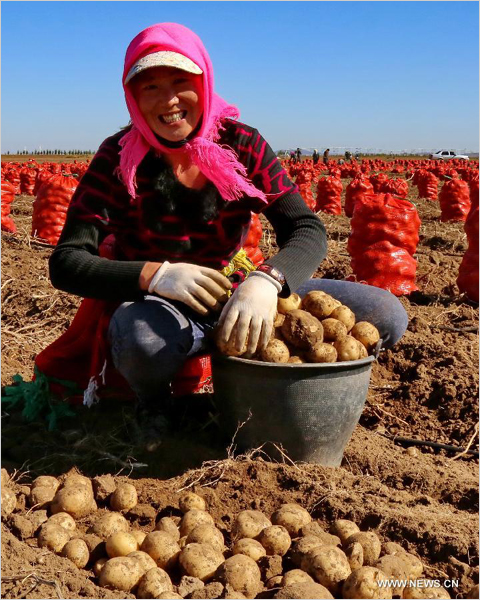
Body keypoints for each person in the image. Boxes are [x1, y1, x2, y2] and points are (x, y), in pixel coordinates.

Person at [35, 22, 407, 450]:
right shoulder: (117, 159)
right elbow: (67, 261)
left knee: (386, 315)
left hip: (242, 292)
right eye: (150, 86)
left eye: (181, 82)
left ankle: (296, 390)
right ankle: (155, 404)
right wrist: (155, 276)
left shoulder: (241, 144)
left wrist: (268, 281)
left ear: (204, 82)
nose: (169, 100)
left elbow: (305, 227)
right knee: (139, 338)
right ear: (133, 97)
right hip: (162, 308)